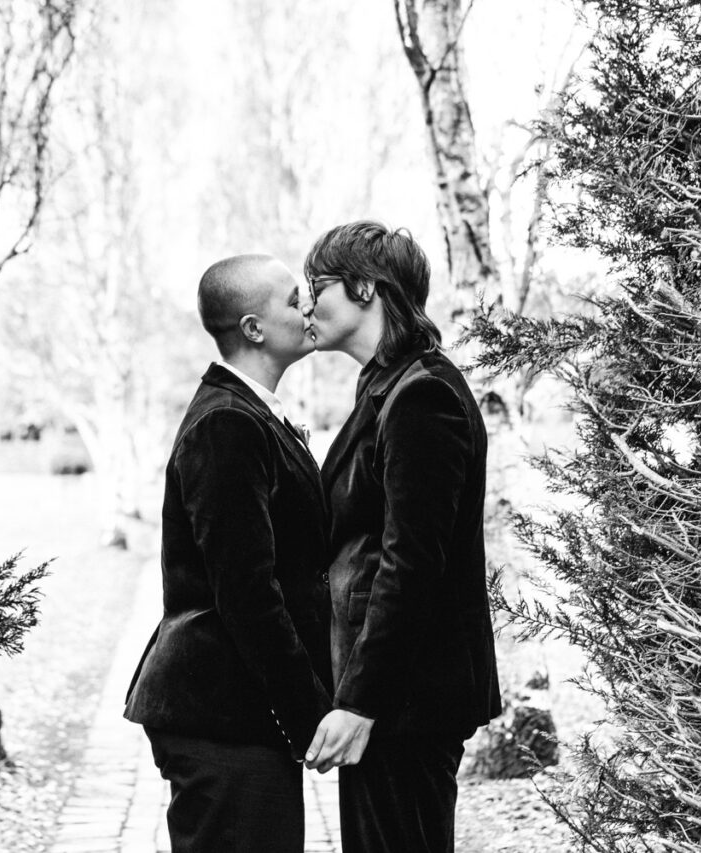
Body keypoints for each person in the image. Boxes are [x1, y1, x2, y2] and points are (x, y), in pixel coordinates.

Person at [300, 221, 502, 853]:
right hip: (395, 696)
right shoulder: (386, 386)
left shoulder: (423, 397)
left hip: (409, 699)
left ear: (364, 286)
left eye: (318, 285)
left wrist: (361, 703)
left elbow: (411, 565)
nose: (307, 304)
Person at [124, 253, 333, 852]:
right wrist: (309, 714)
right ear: (253, 328)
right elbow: (246, 589)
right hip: (219, 714)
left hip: (237, 714)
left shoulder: (252, 415)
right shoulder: (227, 425)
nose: (309, 308)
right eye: (294, 300)